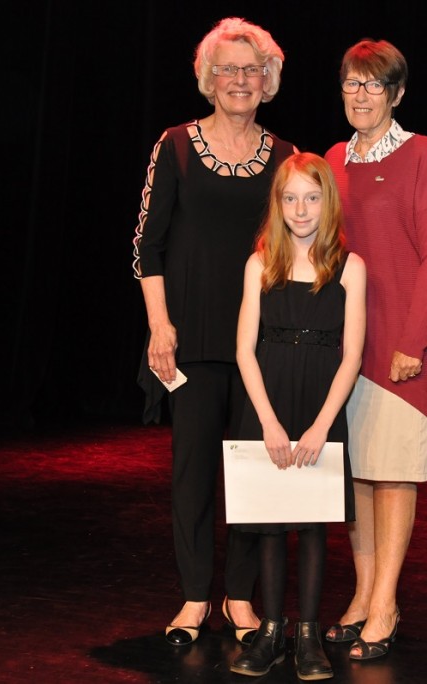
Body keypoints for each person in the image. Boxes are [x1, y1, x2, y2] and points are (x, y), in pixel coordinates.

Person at [131, 16, 298, 647]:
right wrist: (159, 325)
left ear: (268, 80)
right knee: (193, 472)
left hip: (262, 342)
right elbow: (148, 247)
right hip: (191, 339)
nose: (239, 80)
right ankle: (197, 596)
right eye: (227, 68)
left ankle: (240, 597)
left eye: (251, 69)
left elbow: (297, 246)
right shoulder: (174, 145)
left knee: (256, 472)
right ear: (208, 78)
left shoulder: (286, 156)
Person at [322, 39, 427, 661]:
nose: (360, 94)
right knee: (357, 479)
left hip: (402, 344)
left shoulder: (423, 154)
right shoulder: (330, 159)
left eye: (373, 85)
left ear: (397, 93)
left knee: (394, 474)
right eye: (352, 82)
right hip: (346, 348)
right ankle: (362, 592)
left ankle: (386, 602)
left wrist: (412, 341)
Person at [228, 152, 366, 679]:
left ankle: (307, 634)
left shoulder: (350, 268)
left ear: (327, 201)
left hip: (317, 406)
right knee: (268, 520)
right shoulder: (260, 263)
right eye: (290, 198)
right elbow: (244, 349)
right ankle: (271, 631)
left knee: (311, 524)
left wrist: (320, 426)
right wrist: (267, 421)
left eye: (312, 197)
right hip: (268, 402)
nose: (301, 208)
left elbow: (351, 354)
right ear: (277, 203)